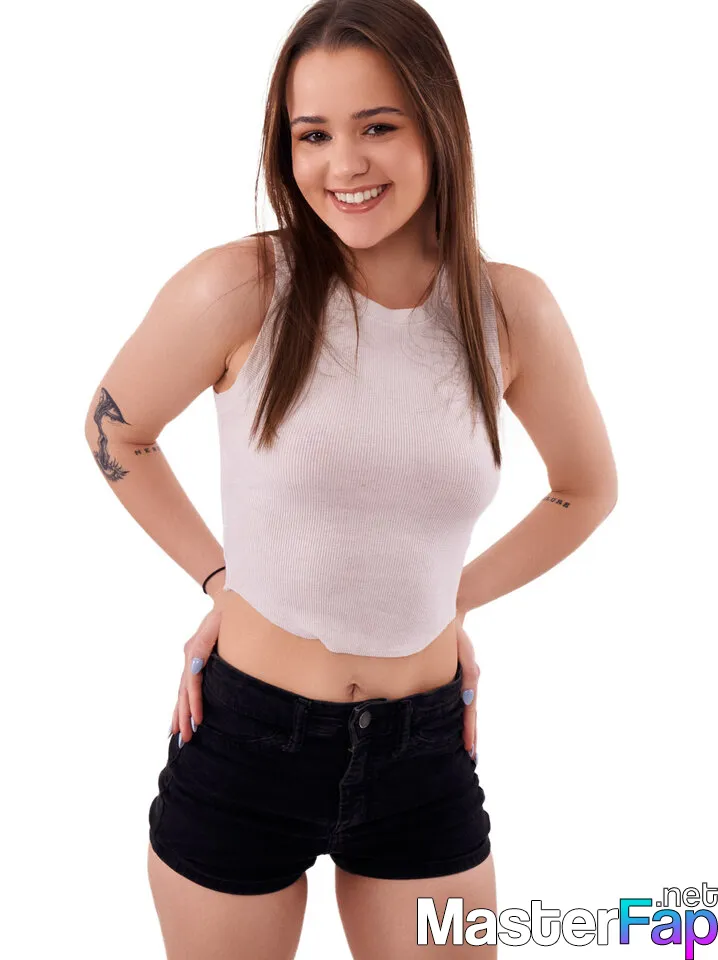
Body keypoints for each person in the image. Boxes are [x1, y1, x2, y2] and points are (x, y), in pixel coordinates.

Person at [84, 1, 618, 956]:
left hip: (426, 754)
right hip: (246, 741)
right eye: (313, 135)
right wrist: (224, 580)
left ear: (437, 126)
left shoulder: (509, 311)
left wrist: (448, 600)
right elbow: (116, 430)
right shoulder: (240, 288)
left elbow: (585, 488)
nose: (344, 165)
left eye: (377, 126)